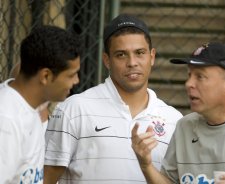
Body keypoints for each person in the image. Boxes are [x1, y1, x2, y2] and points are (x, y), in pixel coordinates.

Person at [43, 14, 183, 184]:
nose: (132, 62)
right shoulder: (74, 109)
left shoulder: (175, 121)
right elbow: (45, 180)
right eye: (121, 55)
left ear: (152, 57)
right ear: (107, 60)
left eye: (140, 53)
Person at [131, 42, 225, 184]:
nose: (189, 84)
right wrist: (146, 165)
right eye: (189, 75)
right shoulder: (185, 127)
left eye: (200, 76)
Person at [0, 25, 82, 184]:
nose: (76, 81)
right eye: (71, 75)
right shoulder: (6, 120)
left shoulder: (32, 108)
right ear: (45, 76)